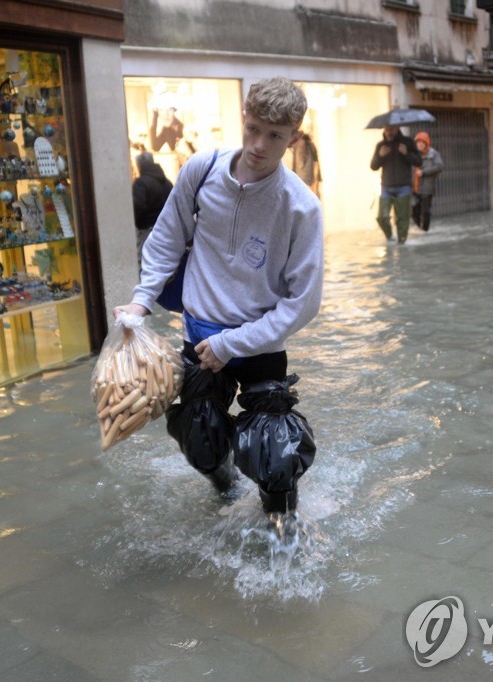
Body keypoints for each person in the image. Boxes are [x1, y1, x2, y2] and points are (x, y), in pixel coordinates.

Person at [115, 77, 324, 515]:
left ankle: (281, 536)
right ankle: (226, 493)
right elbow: (167, 238)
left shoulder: (300, 206)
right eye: (253, 129)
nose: (259, 145)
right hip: (199, 335)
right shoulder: (202, 169)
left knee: (276, 459)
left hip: (260, 347)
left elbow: (303, 302)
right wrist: (141, 300)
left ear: (294, 138)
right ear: (243, 119)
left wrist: (232, 344)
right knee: (201, 441)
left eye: (274, 136)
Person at [370, 124, 421, 244]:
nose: (389, 132)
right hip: (386, 187)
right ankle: (390, 238)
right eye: (387, 129)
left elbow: (418, 161)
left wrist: (406, 153)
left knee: (402, 219)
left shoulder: (408, 143)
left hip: (403, 187)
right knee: (382, 217)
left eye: (391, 129)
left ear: (397, 128)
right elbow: (373, 166)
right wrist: (380, 156)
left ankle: (402, 243)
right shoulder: (380, 145)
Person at [131, 151, 173, 263]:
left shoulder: (141, 183)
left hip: (148, 232)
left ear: (139, 165)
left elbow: (136, 207)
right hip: (167, 231)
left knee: (147, 264)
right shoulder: (167, 183)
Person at [411, 131, 444, 232]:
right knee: (413, 210)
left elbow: (439, 166)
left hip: (427, 188)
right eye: (418, 142)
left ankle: (425, 231)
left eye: (422, 142)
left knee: (425, 212)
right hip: (415, 188)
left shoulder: (433, 154)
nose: (420, 144)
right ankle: (420, 228)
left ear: (426, 144)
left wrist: (424, 172)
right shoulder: (413, 154)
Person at [290, 131, 321, 197]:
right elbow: (315, 163)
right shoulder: (307, 145)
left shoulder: (304, 145)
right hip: (305, 182)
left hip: (305, 182)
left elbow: (315, 163)